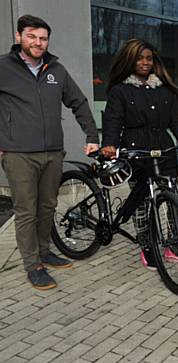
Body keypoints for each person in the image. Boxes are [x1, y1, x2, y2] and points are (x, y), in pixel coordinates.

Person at [0, 15, 99, 290]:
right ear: (19, 37)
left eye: (43, 38)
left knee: (47, 207)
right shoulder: (3, 67)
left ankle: (44, 251)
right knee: (26, 212)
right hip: (19, 154)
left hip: (53, 153)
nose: (38, 42)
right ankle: (33, 266)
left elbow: (78, 102)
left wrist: (92, 135)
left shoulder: (56, 69)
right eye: (32, 36)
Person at [101, 38, 178, 270]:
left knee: (176, 200)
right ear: (130, 60)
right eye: (139, 58)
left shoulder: (165, 89)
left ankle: (173, 246)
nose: (145, 62)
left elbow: (176, 119)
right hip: (136, 151)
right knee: (143, 204)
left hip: (164, 151)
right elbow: (114, 120)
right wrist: (109, 144)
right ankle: (147, 247)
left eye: (149, 58)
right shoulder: (120, 91)